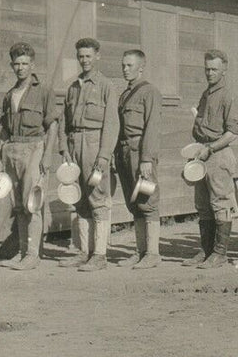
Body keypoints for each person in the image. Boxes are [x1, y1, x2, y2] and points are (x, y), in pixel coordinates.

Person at [0, 42, 58, 270]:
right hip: (12, 150)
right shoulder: (9, 95)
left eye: (25, 63)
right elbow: (4, 129)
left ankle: (33, 254)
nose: (20, 68)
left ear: (32, 65)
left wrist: (47, 155)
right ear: (12, 65)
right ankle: (23, 252)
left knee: (32, 203)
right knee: (18, 206)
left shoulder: (44, 91)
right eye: (17, 64)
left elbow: (52, 126)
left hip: (34, 149)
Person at [60, 38, 119, 271]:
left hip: (95, 146)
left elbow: (111, 124)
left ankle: (100, 255)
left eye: (88, 56)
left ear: (97, 56)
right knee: (80, 199)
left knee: (98, 198)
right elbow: (64, 121)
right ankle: (84, 252)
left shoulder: (106, 86)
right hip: (74, 145)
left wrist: (104, 156)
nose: (84, 60)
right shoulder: (73, 87)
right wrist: (64, 149)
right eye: (81, 56)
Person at [186, 50, 238, 269]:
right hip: (201, 153)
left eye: (214, 69)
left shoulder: (228, 96)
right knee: (203, 205)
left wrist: (211, 148)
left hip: (218, 154)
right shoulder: (206, 94)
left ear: (224, 70)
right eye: (207, 69)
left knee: (220, 203)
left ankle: (220, 253)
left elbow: (234, 131)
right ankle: (206, 249)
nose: (209, 73)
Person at [116, 49, 164, 269]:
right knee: (134, 202)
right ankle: (141, 251)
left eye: (130, 65)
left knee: (147, 201)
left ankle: (153, 253)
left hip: (140, 153)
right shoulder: (124, 95)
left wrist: (146, 159)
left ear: (141, 67)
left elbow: (152, 128)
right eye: (123, 65)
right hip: (125, 152)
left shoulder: (149, 92)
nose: (125, 69)